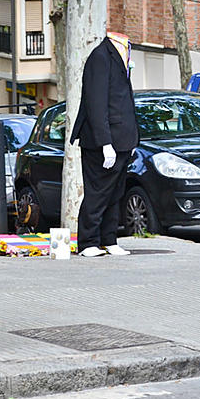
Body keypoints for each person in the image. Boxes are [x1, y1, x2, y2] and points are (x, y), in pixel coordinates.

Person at [70, 32, 139, 257]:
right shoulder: (100, 57)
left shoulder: (119, 56)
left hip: (122, 140)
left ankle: (109, 239)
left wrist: (133, 138)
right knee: (97, 193)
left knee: (115, 194)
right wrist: (105, 143)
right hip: (102, 142)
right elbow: (96, 103)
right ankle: (88, 242)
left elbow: (124, 101)